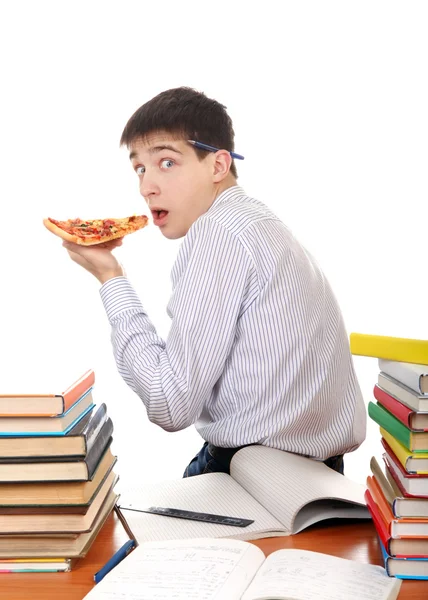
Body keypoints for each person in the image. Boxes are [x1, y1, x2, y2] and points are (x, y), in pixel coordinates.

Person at [61, 86, 366, 477]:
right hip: (321, 475)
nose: (146, 186)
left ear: (219, 166)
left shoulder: (218, 231)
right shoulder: (262, 223)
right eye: (139, 168)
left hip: (252, 476)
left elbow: (169, 403)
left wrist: (110, 277)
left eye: (167, 162)